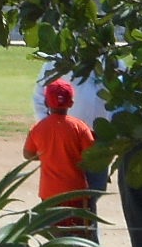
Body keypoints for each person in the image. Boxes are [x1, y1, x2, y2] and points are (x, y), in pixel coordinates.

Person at [22, 78, 97, 235]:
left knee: (56, 239)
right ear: (71, 103)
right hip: (76, 191)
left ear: (47, 102)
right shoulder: (79, 126)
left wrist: (46, 154)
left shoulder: (38, 128)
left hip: (49, 192)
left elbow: (27, 154)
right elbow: (91, 156)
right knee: (81, 236)